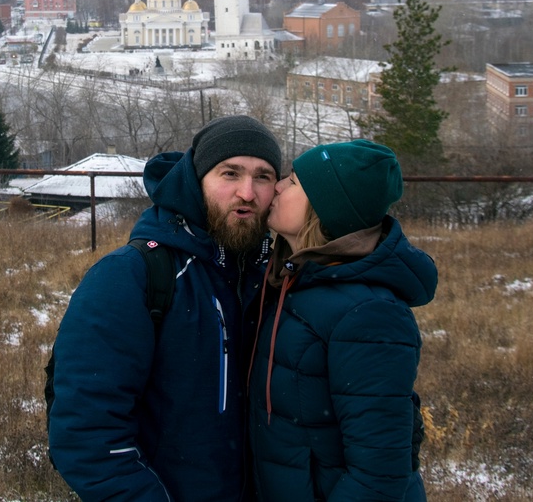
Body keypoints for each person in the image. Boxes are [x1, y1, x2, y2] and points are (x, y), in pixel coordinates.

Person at [48, 115, 282, 501]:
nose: (247, 192)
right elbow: (87, 434)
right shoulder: (132, 276)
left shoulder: (273, 276)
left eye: (263, 176)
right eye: (230, 174)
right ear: (196, 180)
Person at [248, 139, 437, 501]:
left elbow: (379, 476)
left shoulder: (369, 315)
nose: (278, 186)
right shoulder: (294, 280)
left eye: (293, 182)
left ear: (324, 209)